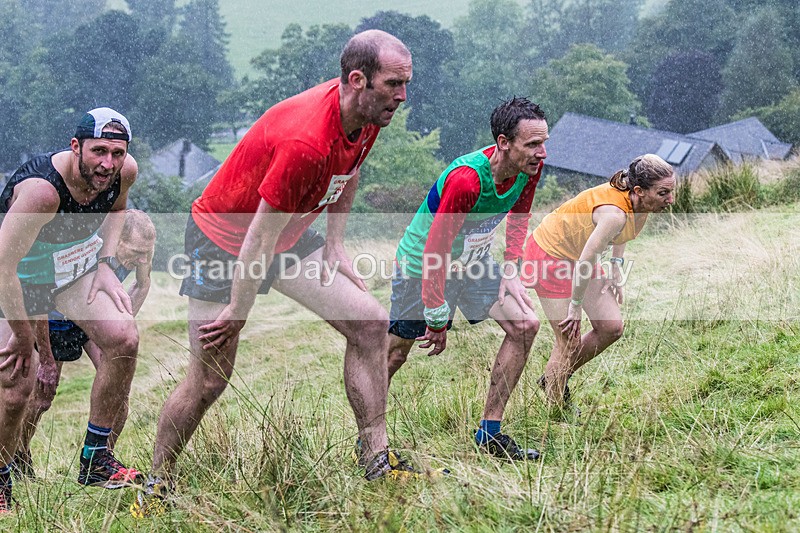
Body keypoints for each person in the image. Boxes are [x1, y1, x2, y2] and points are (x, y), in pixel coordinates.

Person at [131, 29, 413, 515]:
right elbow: (257, 238)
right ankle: (157, 485)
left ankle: (376, 459)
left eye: (406, 83)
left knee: (370, 324)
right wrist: (238, 309)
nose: (402, 96)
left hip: (283, 231)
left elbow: (349, 170)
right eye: (394, 84)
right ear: (357, 79)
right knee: (209, 380)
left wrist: (335, 243)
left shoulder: (369, 115)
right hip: (224, 239)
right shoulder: (306, 140)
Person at [387, 97, 546, 461]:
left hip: (472, 263)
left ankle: (489, 434)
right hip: (421, 265)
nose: (542, 152)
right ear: (504, 142)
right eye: (533, 144)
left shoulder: (529, 169)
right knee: (395, 354)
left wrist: (511, 269)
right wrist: (436, 313)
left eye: (544, 142)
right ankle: (370, 443)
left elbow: (519, 216)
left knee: (525, 325)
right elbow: (436, 249)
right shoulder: (467, 181)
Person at [0, 107, 141, 512]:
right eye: (99, 151)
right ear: (75, 146)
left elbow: (118, 210)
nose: (108, 164)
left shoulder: (125, 171)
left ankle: (95, 459)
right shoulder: (42, 192)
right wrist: (24, 335)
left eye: (117, 153)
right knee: (17, 385)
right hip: (16, 277)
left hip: (68, 267)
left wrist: (106, 264)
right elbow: (5, 268)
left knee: (124, 338)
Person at [520, 154, 675, 406]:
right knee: (568, 341)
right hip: (550, 255)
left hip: (578, 255)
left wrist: (615, 265)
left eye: (671, 191)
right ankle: (556, 411)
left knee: (611, 327)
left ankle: (553, 377)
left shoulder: (639, 203)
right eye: (663, 193)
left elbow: (622, 232)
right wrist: (575, 305)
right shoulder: (614, 214)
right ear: (639, 190)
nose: (671, 199)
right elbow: (588, 258)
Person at [14, 210, 156, 479]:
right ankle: (19, 455)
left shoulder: (141, 255)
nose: (141, 258)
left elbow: (140, 288)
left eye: (146, 253)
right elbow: (37, 297)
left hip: (89, 316)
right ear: (115, 239)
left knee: (119, 389)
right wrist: (46, 360)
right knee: (43, 396)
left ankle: (101, 459)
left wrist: (118, 327)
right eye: (137, 252)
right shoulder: (88, 246)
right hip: (54, 316)